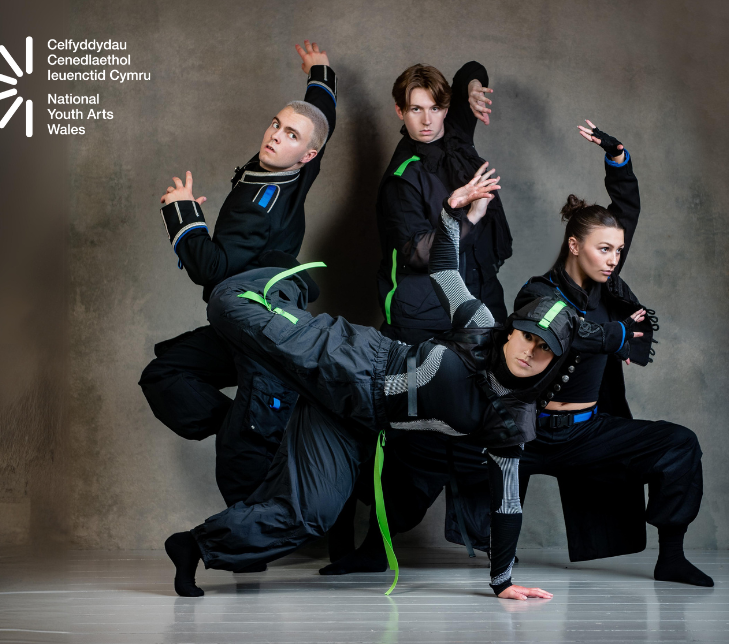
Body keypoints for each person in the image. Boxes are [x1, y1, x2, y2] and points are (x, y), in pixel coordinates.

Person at [163, 170, 643, 599]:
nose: (527, 352)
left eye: (543, 351)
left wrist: (502, 582)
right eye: (525, 336)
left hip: (354, 419)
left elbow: (508, 502)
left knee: (311, 516)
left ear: (553, 362)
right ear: (512, 328)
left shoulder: (510, 421)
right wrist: (452, 212)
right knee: (229, 305)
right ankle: (282, 282)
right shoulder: (479, 323)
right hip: (354, 361)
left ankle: (194, 547)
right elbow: (445, 269)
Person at [325, 59, 512, 565]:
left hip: (475, 306)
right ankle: (367, 538)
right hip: (422, 316)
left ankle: (488, 536)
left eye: (435, 107)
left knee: (486, 420)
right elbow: (417, 255)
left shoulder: (453, 135)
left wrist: (473, 85)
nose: (426, 120)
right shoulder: (400, 181)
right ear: (399, 113)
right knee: (413, 433)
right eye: (415, 110)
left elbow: (471, 65)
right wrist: (457, 210)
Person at [511, 120, 713, 587]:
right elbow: (566, 331)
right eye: (603, 249)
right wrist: (618, 335)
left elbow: (623, 214)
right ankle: (500, 554)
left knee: (679, 443)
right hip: (530, 434)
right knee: (451, 456)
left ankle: (672, 558)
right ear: (574, 245)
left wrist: (619, 160)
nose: (612, 259)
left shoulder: (608, 287)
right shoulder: (536, 292)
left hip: (587, 433)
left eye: (618, 252)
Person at [138, 41, 337, 506]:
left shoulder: (257, 207)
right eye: (277, 124)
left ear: (307, 156)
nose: (275, 136)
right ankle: (248, 422)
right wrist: (320, 72)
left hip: (263, 327)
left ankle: (249, 541)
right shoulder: (298, 169)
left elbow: (209, 267)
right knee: (166, 374)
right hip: (238, 326)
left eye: (291, 135)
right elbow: (323, 113)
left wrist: (181, 213)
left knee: (240, 457)